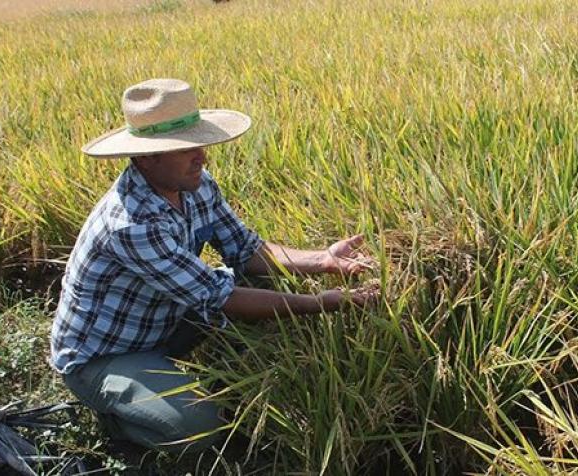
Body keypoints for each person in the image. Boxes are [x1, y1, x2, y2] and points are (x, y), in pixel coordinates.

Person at [49, 78, 380, 454]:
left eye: (200, 144)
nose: (202, 157)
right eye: (186, 149)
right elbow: (218, 297)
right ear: (146, 157)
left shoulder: (195, 183)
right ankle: (119, 423)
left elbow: (246, 249)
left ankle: (166, 381)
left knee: (268, 290)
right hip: (106, 354)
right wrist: (321, 302)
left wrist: (321, 259)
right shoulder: (131, 224)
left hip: (166, 320)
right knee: (198, 429)